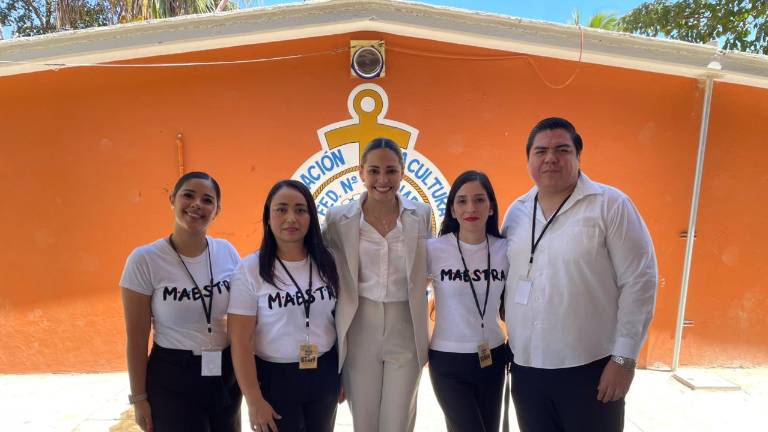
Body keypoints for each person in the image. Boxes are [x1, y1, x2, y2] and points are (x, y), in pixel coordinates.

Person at [503, 117, 658, 432]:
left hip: (592, 370)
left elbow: (639, 281)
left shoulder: (610, 206)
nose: (550, 158)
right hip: (527, 370)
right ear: (528, 158)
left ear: (577, 156)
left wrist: (624, 360)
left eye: (562, 149)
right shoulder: (516, 212)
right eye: (540, 151)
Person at [323, 138, 432, 432]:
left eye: (391, 171)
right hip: (359, 325)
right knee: (365, 422)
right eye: (374, 171)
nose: (382, 180)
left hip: (405, 325)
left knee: (398, 423)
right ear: (361, 172)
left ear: (402, 172)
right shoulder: (337, 220)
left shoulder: (421, 215)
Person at [120, 171, 242, 432]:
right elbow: (137, 337)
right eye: (188, 195)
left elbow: (243, 316)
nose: (197, 204)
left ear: (217, 210)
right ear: (173, 199)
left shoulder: (227, 252)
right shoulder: (145, 260)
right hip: (173, 377)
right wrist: (139, 399)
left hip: (225, 374)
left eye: (207, 200)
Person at [228, 179, 340, 432]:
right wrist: (254, 400)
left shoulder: (328, 262)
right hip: (274, 378)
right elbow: (240, 340)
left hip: (324, 372)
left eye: (300, 210)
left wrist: (343, 376)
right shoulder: (249, 270)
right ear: (268, 218)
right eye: (281, 209)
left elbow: (341, 320)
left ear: (311, 217)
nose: (291, 217)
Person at [427, 170, 509, 432]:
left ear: (491, 207)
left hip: (493, 356)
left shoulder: (505, 249)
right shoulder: (434, 250)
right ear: (452, 210)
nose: (470, 208)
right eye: (462, 201)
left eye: (479, 199)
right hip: (448, 360)